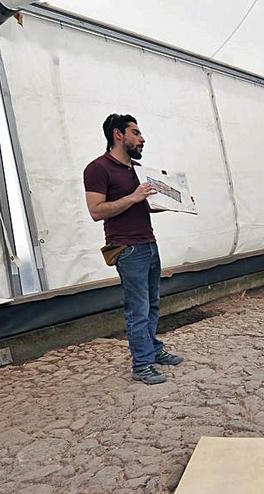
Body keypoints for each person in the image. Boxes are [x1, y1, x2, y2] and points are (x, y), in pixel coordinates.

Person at [84, 113, 184, 385]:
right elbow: (96, 211)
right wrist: (133, 196)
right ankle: (142, 365)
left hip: (148, 244)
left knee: (152, 303)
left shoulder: (136, 169)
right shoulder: (98, 168)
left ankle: (152, 349)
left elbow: (142, 205)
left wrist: (178, 200)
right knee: (137, 308)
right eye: (136, 133)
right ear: (118, 135)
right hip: (127, 248)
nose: (142, 138)